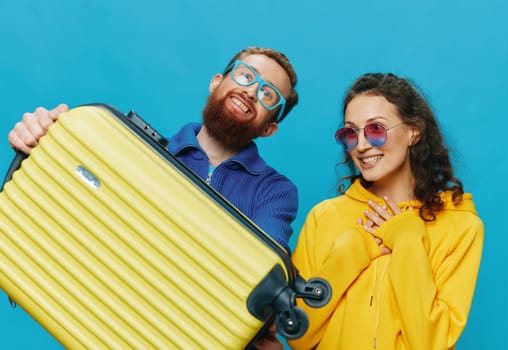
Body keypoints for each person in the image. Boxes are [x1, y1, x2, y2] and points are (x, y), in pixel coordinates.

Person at [7, 46, 299, 350]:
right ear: (216, 82)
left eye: (268, 95)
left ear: (269, 128)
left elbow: (253, 274)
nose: (252, 91)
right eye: (245, 75)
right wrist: (41, 139)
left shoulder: (274, 192)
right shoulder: (128, 150)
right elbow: (72, 232)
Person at [287, 73, 484, 349]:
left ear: (414, 131)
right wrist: (352, 251)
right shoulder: (324, 217)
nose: (363, 145)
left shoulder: (460, 226)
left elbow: (430, 342)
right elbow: (299, 335)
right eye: (350, 133)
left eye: (376, 129)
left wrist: (407, 240)